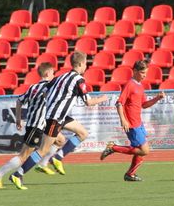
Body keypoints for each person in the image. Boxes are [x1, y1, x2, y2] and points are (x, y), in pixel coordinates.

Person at [10, 52, 109, 189]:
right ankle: (18, 174)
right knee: (43, 150)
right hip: (55, 118)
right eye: (86, 63)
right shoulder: (79, 80)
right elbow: (89, 102)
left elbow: (45, 89)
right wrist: (103, 98)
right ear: (80, 64)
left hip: (59, 116)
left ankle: (58, 157)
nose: (86, 66)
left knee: (83, 133)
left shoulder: (61, 76)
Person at [0, 62, 64, 189]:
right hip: (36, 126)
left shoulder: (33, 87)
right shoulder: (47, 88)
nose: (54, 75)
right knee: (23, 156)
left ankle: (43, 163)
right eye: (52, 72)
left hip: (40, 125)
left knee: (60, 140)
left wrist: (18, 120)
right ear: (47, 73)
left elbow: (19, 101)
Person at [99, 60, 165, 181]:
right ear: (134, 71)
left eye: (146, 73)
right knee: (144, 150)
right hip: (132, 124)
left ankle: (130, 174)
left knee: (139, 151)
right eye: (142, 73)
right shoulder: (129, 85)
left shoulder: (140, 86)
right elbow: (119, 103)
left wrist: (157, 98)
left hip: (139, 123)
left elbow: (144, 105)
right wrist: (123, 119)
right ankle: (113, 147)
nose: (144, 75)